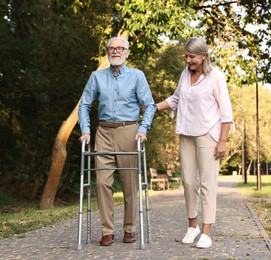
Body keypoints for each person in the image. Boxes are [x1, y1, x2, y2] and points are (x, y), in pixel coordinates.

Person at [155, 36, 234, 249]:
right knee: (189, 181)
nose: (188, 61)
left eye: (192, 57)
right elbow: (175, 99)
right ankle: (193, 226)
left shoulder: (215, 77)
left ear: (203, 56)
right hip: (186, 132)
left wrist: (222, 141)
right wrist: (154, 107)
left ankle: (207, 231)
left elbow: (226, 113)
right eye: (186, 56)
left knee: (207, 183)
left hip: (208, 134)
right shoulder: (184, 74)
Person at [78, 36, 156, 246]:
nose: (115, 51)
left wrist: (143, 129)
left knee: (129, 184)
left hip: (128, 131)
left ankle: (129, 229)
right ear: (107, 52)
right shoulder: (96, 77)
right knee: (102, 182)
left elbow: (149, 105)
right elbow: (84, 105)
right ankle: (107, 230)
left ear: (127, 52)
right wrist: (85, 130)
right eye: (112, 48)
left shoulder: (137, 76)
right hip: (103, 132)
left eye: (120, 48)